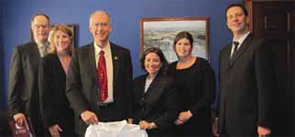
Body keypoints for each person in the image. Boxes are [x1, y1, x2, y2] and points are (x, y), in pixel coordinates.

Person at [66, 10, 133, 136]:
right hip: (89, 119)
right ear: (90, 28)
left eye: (104, 24)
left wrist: (130, 116)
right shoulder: (79, 54)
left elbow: (127, 88)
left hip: (117, 119)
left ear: (110, 27)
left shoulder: (123, 54)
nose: (100, 29)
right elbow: (71, 88)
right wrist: (83, 111)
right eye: (96, 25)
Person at [218, 3, 273, 136]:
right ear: (227, 23)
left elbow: (265, 88)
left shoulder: (259, 46)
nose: (235, 19)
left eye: (239, 15)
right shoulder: (224, 52)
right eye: (230, 17)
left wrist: (263, 123)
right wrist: (219, 118)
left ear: (247, 19)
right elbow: (223, 87)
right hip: (226, 124)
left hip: (249, 124)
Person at [9, 14, 51, 136]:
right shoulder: (21, 51)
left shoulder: (55, 49)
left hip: (52, 114)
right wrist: (16, 111)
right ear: (32, 28)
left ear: (49, 28)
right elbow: (14, 83)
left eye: (44, 26)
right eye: (38, 26)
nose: (41, 29)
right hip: (29, 112)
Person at [168, 31, 216, 136]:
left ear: (192, 47)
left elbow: (210, 94)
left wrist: (190, 113)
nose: (182, 47)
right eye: (179, 44)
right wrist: (174, 116)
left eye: (186, 44)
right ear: (174, 46)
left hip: (199, 120)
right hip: (176, 122)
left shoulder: (202, 65)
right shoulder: (170, 68)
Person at [132, 47, 179, 137]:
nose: (151, 64)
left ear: (161, 63)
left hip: (158, 132)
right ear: (144, 62)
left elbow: (173, 111)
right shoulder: (137, 81)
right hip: (138, 131)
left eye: (155, 61)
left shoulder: (168, 82)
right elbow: (132, 105)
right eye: (148, 60)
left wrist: (152, 125)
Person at [39, 24, 76, 137]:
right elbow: (44, 94)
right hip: (56, 119)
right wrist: (50, 123)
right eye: (57, 37)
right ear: (53, 40)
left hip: (76, 117)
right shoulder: (46, 61)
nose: (61, 40)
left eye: (64, 36)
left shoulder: (76, 59)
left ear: (70, 39)